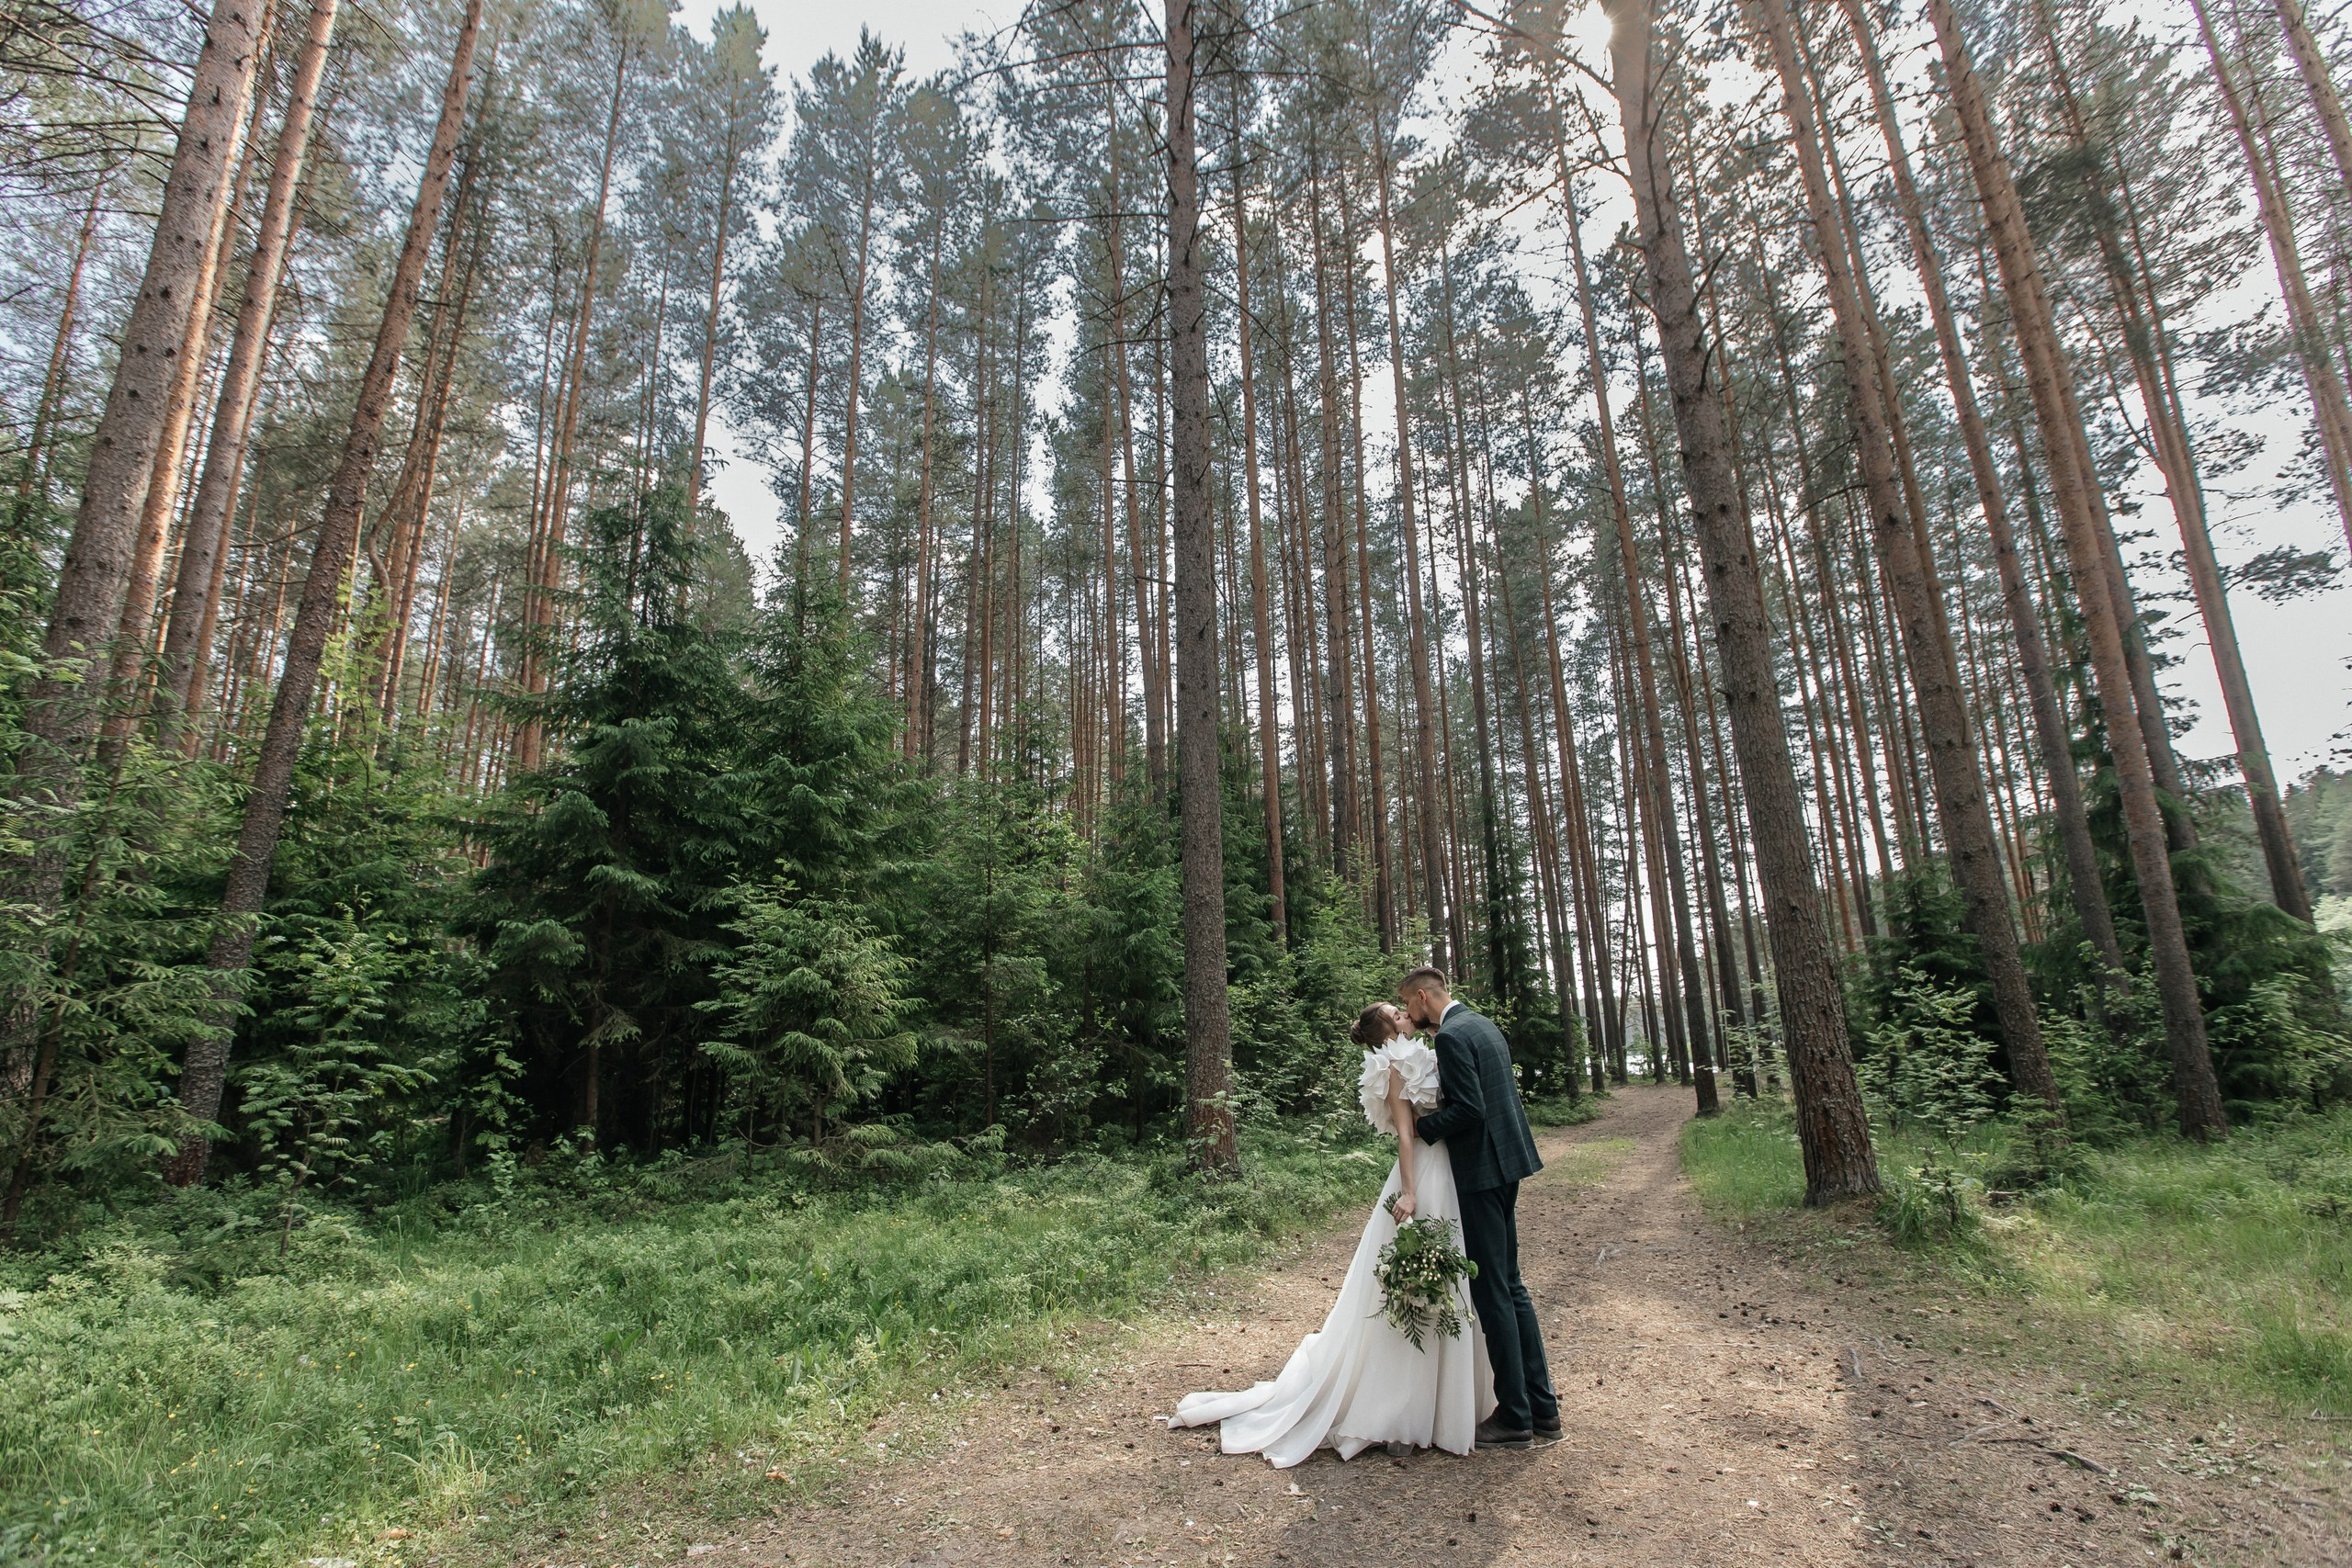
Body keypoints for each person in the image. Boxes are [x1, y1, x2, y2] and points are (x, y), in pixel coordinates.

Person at [1165, 1001, 1494, 1464]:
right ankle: (1401, 1407)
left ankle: (1450, 1400)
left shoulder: (1421, 1052)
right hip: (1423, 1178)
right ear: (1389, 1030)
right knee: (1417, 1283)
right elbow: (1405, 1135)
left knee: (1450, 1278)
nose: (1404, 1013)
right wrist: (1410, 1193)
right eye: (1396, 1013)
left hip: (1451, 1173)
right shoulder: (1396, 1066)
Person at [1397, 964, 1560, 1450]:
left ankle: (1515, 1417)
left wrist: (1420, 1130)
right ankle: (1542, 1409)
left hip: (1482, 1170)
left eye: (1408, 1003)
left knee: (1493, 1290)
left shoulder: (1450, 1037)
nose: (1408, 1012)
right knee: (1512, 1286)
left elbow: (1469, 1108)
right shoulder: (1482, 1023)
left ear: (1423, 997)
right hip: (1508, 1163)